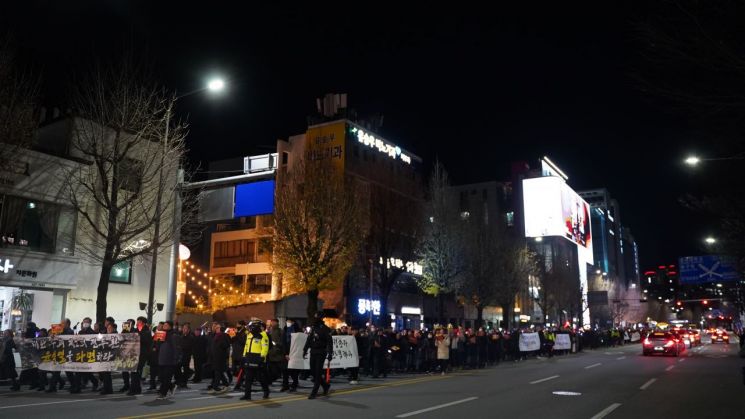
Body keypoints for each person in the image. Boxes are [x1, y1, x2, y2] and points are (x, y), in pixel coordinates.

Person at [303, 311, 333, 399]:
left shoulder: (325, 329)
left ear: (320, 318)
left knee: (318, 372)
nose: (314, 319)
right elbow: (309, 339)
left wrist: (330, 353)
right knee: (313, 372)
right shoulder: (313, 328)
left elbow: (329, 342)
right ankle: (325, 385)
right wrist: (305, 350)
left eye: (316, 317)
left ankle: (314, 392)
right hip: (313, 352)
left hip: (321, 352)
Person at [240, 320, 270, 400]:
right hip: (249, 357)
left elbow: (265, 347)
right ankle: (247, 395)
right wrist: (243, 356)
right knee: (248, 378)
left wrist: (262, 357)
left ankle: (266, 391)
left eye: (251, 327)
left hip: (258, 359)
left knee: (260, 378)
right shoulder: (249, 335)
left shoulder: (263, 335)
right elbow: (246, 346)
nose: (250, 329)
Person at [128, 317, 152, 395]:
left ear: (144, 323)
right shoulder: (135, 330)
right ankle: (136, 389)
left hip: (142, 354)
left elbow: (143, 339)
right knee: (134, 372)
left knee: (136, 371)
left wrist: (138, 331)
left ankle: (133, 389)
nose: (138, 323)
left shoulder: (147, 331)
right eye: (137, 321)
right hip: (134, 353)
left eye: (140, 322)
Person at [156, 321, 180, 400]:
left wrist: (175, 359)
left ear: (170, 326)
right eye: (164, 325)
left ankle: (163, 393)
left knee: (167, 378)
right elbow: (158, 347)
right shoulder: (161, 334)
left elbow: (176, 348)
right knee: (162, 377)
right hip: (162, 359)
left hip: (169, 360)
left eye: (166, 325)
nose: (164, 326)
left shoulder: (173, 335)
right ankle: (171, 386)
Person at [76, 317, 100, 392]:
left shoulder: (93, 333)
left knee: (87, 371)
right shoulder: (80, 332)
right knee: (80, 371)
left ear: (90, 323)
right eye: (84, 322)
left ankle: (94, 382)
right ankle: (78, 386)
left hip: (89, 354)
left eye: (86, 322)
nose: (84, 323)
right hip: (81, 353)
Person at [208, 322, 231, 393]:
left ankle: (215, 387)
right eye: (216, 327)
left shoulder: (223, 335)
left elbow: (226, 345)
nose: (216, 328)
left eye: (217, 327)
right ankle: (226, 385)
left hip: (220, 357)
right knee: (219, 372)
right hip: (215, 357)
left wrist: (220, 343)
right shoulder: (216, 335)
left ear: (221, 328)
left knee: (217, 372)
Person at [281, 319, 300, 392]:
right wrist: (285, 353)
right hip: (286, 353)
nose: (287, 323)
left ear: (293, 322)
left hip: (294, 353)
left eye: (289, 321)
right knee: (284, 370)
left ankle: (294, 385)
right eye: (287, 321)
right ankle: (285, 385)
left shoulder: (297, 330)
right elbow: (283, 342)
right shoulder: (285, 329)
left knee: (293, 370)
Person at [98, 322, 118, 395]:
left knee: (107, 373)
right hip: (104, 355)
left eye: (110, 328)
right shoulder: (104, 334)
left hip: (111, 356)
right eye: (107, 328)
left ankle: (107, 389)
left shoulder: (115, 335)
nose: (108, 329)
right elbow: (98, 339)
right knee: (105, 373)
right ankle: (107, 388)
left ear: (113, 328)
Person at [118, 319, 136, 392]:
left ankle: (132, 386)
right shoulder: (124, 331)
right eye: (127, 322)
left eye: (129, 323)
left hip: (132, 353)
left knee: (132, 371)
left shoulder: (135, 331)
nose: (127, 324)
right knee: (124, 370)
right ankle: (126, 384)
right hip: (124, 353)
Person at [265, 319, 283, 385]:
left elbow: (282, 342)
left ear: (276, 323)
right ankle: (269, 381)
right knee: (270, 369)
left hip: (277, 353)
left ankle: (275, 377)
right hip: (270, 353)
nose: (271, 324)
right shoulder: (270, 331)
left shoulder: (280, 331)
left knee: (276, 369)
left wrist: (276, 345)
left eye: (272, 322)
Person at [230, 320, 247, 391]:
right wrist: (232, 335)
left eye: (238, 324)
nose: (237, 326)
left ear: (242, 325)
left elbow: (244, 342)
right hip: (235, 354)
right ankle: (241, 381)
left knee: (241, 370)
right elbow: (231, 340)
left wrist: (237, 335)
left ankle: (239, 384)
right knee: (234, 370)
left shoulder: (245, 332)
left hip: (241, 354)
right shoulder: (236, 331)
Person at [176, 323, 195, 389]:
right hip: (180, 355)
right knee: (177, 368)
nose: (184, 330)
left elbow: (188, 346)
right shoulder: (180, 336)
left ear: (189, 330)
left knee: (186, 369)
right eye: (183, 328)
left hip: (186, 355)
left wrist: (180, 347)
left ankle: (184, 383)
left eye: (185, 328)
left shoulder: (191, 337)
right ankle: (180, 381)